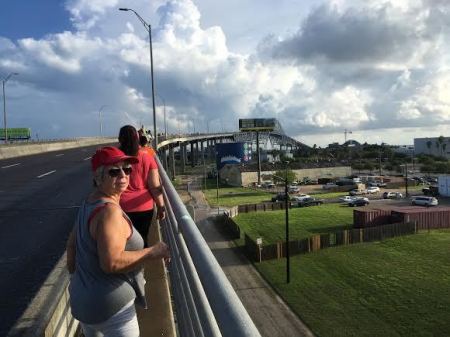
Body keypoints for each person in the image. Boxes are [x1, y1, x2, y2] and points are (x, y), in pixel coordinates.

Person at [66, 146, 170, 337]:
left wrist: (82, 282)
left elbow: (71, 248)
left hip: (85, 305)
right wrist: (152, 252)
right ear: (98, 178)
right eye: (114, 171)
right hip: (112, 310)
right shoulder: (109, 212)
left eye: (127, 169)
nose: (123, 174)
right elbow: (111, 262)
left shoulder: (88, 202)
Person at [118, 125, 165, 247]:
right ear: (137, 138)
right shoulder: (147, 157)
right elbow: (154, 186)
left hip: (120, 206)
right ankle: (140, 264)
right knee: (142, 239)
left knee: (121, 241)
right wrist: (161, 206)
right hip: (144, 207)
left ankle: (126, 263)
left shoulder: (116, 158)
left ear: (120, 139)